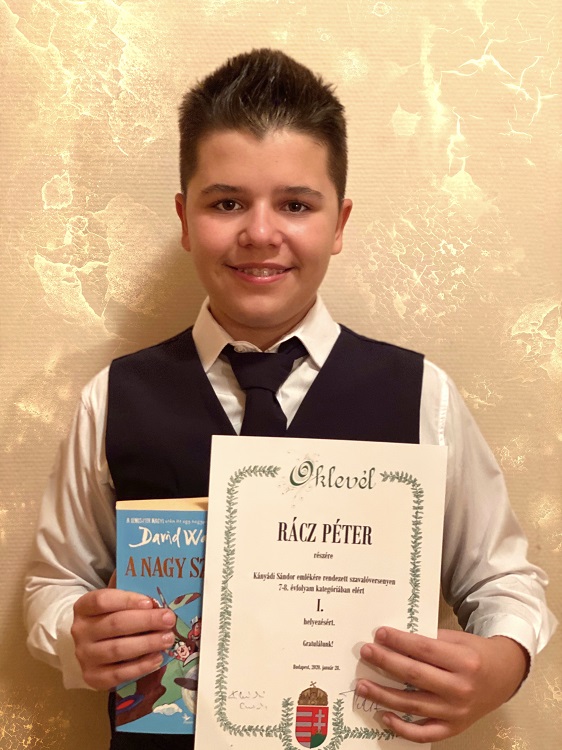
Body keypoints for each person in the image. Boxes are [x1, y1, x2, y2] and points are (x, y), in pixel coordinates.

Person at [24, 49, 556, 749]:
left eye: (296, 205)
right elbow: (54, 584)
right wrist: (73, 633)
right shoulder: (112, 399)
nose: (260, 233)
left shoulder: (423, 396)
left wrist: (504, 662)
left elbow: (503, 580)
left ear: (339, 224)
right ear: (185, 218)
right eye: (226, 203)